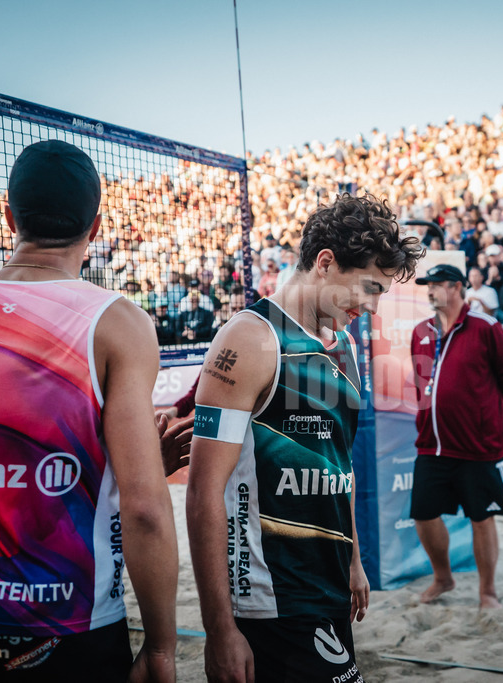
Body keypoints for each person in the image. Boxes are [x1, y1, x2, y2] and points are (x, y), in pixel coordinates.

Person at [0, 140, 179, 682]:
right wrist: (162, 647)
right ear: (96, 228)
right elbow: (145, 508)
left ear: (9, 217)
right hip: (68, 617)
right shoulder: (118, 322)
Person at [185, 193, 423, 683]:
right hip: (269, 599)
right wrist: (219, 629)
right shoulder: (250, 339)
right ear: (325, 262)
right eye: (369, 288)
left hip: (329, 584)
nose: (374, 307)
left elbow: (340, 467)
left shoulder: (345, 346)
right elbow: (203, 490)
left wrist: (355, 559)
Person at [409, 263, 503, 609]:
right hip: (431, 444)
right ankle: (443, 578)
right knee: (423, 514)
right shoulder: (420, 331)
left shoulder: (485, 326)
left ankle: (487, 591)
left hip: (477, 446)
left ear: (457, 287)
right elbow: (421, 383)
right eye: (427, 285)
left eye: (436, 284)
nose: (429, 290)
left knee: (481, 516)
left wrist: (479, 407)